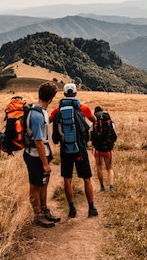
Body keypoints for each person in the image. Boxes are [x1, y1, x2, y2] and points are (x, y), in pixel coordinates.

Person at [49, 83, 98, 218]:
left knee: (67, 179)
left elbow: (48, 121)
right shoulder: (83, 108)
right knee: (87, 178)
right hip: (80, 148)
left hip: (65, 149)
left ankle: (71, 209)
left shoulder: (57, 110)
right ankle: (91, 208)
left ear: (64, 94)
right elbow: (94, 121)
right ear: (76, 94)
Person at [23, 81, 60, 228]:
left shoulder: (40, 111)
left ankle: (44, 210)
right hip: (35, 155)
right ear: (51, 98)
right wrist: (45, 163)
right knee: (35, 185)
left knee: (43, 183)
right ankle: (37, 214)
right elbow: (38, 141)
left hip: (41, 153)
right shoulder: (37, 115)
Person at [92, 106, 117, 192]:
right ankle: (111, 186)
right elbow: (113, 135)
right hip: (108, 149)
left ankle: (102, 186)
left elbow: (90, 136)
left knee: (99, 168)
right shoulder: (110, 123)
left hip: (97, 149)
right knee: (109, 168)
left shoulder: (93, 123)